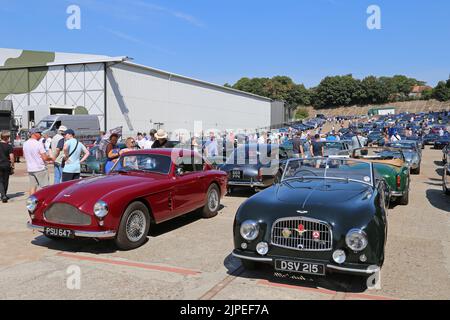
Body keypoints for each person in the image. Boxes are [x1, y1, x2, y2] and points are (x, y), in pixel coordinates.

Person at [23, 128, 52, 195]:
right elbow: (44, 158)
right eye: (39, 133)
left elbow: (24, 156)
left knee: (32, 187)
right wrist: (51, 159)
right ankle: (45, 202)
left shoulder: (25, 143)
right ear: (34, 134)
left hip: (30, 169)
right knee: (45, 187)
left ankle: (31, 202)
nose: (40, 134)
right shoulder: (38, 144)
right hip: (40, 168)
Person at [0, 131, 14, 203]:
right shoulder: (9, 146)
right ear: (7, 138)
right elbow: (11, 157)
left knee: (0, 181)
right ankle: (4, 194)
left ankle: (3, 195)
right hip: (6, 165)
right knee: (6, 180)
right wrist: (12, 165)